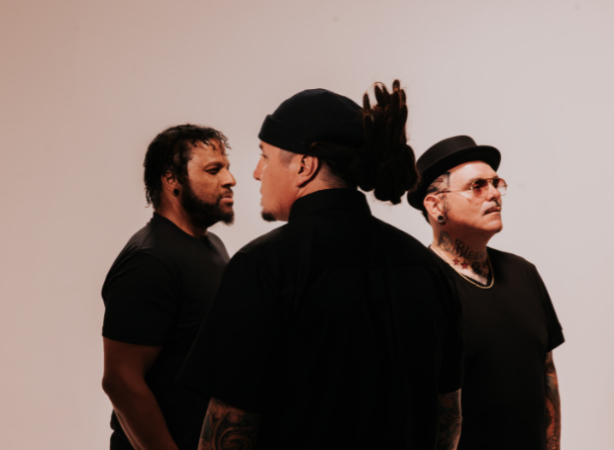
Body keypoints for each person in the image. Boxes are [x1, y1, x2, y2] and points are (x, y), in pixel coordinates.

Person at [178, 82, 464, 450]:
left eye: (265, 156)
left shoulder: (262, 267)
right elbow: (447, 418)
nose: (257, 172)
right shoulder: (429, 269)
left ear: (304, 165)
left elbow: (228, 430)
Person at [407, 135, 564, 450]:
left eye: (495, 183)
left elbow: (546, 373)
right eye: (477, 186)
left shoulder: (523, 272)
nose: (494, 194)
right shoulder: (418, 287)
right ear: (436, 206)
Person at [101, 124, 236, 450]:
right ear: (172, 179)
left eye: (227, 168)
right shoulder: (150, 260)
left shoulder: (212, 245)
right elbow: (120, 381)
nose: (230, 179)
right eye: (214, 170)